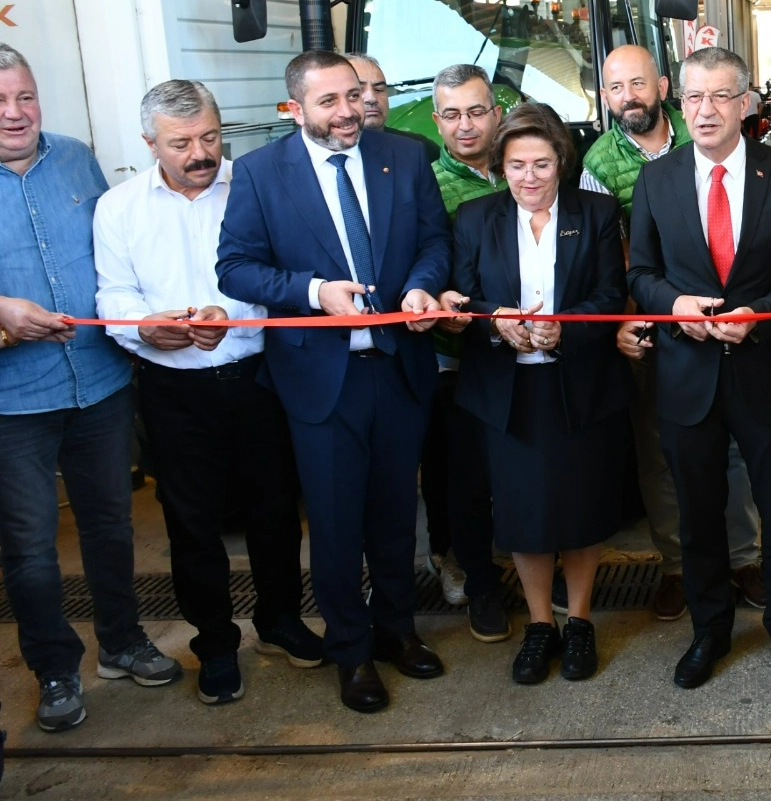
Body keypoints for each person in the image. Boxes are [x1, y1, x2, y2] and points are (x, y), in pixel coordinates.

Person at [217, 49, 452, 714]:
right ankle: (351, 651)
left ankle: (397, 630)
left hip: (399, 366)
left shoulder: (405, 155)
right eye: (330, 102)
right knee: (335, 521)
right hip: (320, 380)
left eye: (354, 95)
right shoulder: (260, 173)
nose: (350, 111)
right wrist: (313, 291)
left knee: (396, 515)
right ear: (295, 109)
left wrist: (420, 287)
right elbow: (234, 268)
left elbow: (434, 241)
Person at [93, 79, 320, 707]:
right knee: (191, 524)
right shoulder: (118, 207)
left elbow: (278, 273)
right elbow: (113, 292)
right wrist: (144, 327)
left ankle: (279, 621)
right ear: (150, 143)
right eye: (181, 143)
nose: (200, 154)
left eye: (211, 137)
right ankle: (215, 645)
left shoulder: (256, 187)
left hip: (257, 377)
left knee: (275, 511)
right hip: (172, 389)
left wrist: (232, 314)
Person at [627, 47, 771, 690]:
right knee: (699, 515)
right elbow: (640, 272)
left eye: (719, 96)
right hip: (687, 377)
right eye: (693, 97)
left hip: (766, 372)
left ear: (745, 104)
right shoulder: (657, 180)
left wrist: (759, 312)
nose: (704, 110)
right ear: (679, 103)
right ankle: (709, 630)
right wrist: (672, 305)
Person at [0, 43, 181, 732]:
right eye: (0, 101)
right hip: (14, 401)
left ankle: (122, 642)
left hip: (100, 383)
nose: (15, 112)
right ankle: (54, 670)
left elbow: (116, 251)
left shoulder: (77, 158)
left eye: (25, 96)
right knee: (30, 547)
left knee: (111, 526)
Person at [443, 103, 634, 685]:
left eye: (542, 164)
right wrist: (495, 322)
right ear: (501, 166)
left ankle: (579, 621)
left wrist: (566, 327)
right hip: (507, 391)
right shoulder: (475, 218)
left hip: (578, 385)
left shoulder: (595, 213)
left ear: (561, 163)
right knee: (523, 512)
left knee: (580, 507)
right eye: (517, 165)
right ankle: (538, 624)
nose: (529, 177)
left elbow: (611, 294)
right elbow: (463, 297)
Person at [581, 44, 765, 623]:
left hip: (725, 326)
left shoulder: (704, 131)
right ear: (605, 96)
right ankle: (678, 567)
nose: (628, 97)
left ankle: (743, 558)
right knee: (660, 454)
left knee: (734, 449)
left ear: (664, 88)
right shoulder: (597, 162)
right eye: (615, 88)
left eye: (637, 83)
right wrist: (625, 321)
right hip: (650, 324)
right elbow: (607, 258)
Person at [421, 64, 507, 640]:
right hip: (458, 357)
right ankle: (481, 584)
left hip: (533, 350)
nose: (466, 125)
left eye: (477, 111)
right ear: (437, 121)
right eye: (452, 115)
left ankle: (539, 565)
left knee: (525, 472)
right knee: (468, 480)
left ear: (496, 113)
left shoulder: (523, 165)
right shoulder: (425, 184)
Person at [346, 52, 440, 163]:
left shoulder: (418, 150)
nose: (372, 98)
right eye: (359, 90)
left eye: (379, 89)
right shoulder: (330, 153)